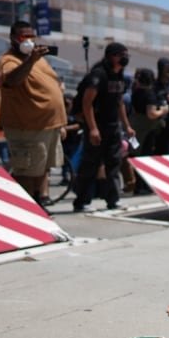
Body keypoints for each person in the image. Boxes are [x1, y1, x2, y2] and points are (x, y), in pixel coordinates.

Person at [0, 21, 67, 201]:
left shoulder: (39, 59)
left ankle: (42, 198)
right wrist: (30, 60)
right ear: (13, 39)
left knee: (43, 167)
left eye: (31, 36)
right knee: (26, 170)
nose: (28, 40)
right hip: (27, 127)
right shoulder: (8, 60)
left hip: (49, 125)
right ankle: (26, 204)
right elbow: (12, 80)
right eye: (23, 37)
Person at [73, 42, 134, 212]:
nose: (125, 58)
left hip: (113, 127)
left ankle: (113, 200)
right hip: (97, 126)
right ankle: (81, 201)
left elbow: (119, 102)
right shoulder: (98, 74)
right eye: (122, 54)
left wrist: (126, 126)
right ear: (112, 56)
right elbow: (87, 103)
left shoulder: (120, 75)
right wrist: (92, 128)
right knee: (90, 165)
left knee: (113, 163)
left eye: (126, 54)